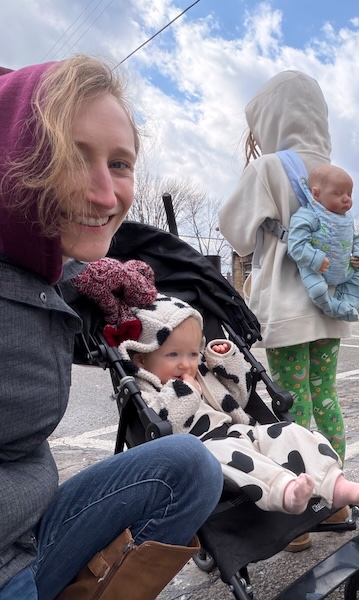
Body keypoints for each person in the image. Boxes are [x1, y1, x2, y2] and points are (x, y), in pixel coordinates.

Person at [0, 56, 223, 600]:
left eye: (119, 164)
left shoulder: (43, 270)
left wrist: (102, 285)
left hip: (25, 530)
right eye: (71, 158)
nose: (105, 195)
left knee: (189, 467)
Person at [95, 286, 359, 514]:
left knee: (293, 432)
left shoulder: (201, 374)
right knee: (234, 455)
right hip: (203, 450)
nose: (186, 364)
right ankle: (285, 491)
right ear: (142, 357)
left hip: (241, 431)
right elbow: (166, 425)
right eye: (173, 355)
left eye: (192, 354)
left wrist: (224, 360)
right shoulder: (148, 390)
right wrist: (186, 392)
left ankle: (335, 484)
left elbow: (239, 398)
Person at [219, 71, 353, 548]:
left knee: (290, 407)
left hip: (289, 313)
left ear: (271, 118)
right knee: (327, 396)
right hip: (330, 310)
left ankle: (297, 516)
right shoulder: (332, 171)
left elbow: (234, 230)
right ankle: (336, 499)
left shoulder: (270, 167)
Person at [287, 163, 359, 322]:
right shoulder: (308, 215)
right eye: (338, 194)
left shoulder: (347, 218)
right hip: (316, 269)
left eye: (349, 194)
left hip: (345, 267)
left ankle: (345, 305)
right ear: (316, 194)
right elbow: (296, 245)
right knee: (317, 290)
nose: (346, 199)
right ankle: (330, 308)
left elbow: (357, 238)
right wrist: (315, 259)